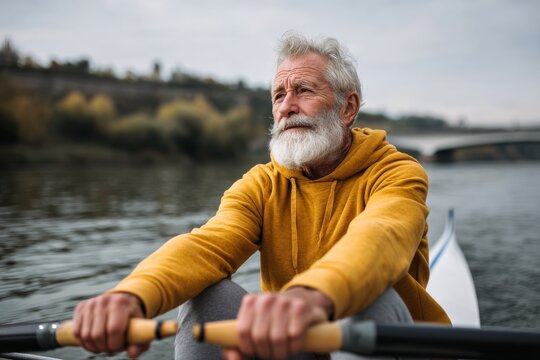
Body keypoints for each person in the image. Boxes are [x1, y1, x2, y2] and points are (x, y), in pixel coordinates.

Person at [72, 32, 450, 360]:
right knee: (210, 297)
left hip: (390, 342)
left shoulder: (397, 172)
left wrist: (309, 295)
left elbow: (380, 238)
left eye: (303, 90)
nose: (286, 107)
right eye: (279, 95)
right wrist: (133, 296)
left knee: (371, 299)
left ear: (347, 107)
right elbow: (207, 246)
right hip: (295, 347)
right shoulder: (262, 183)